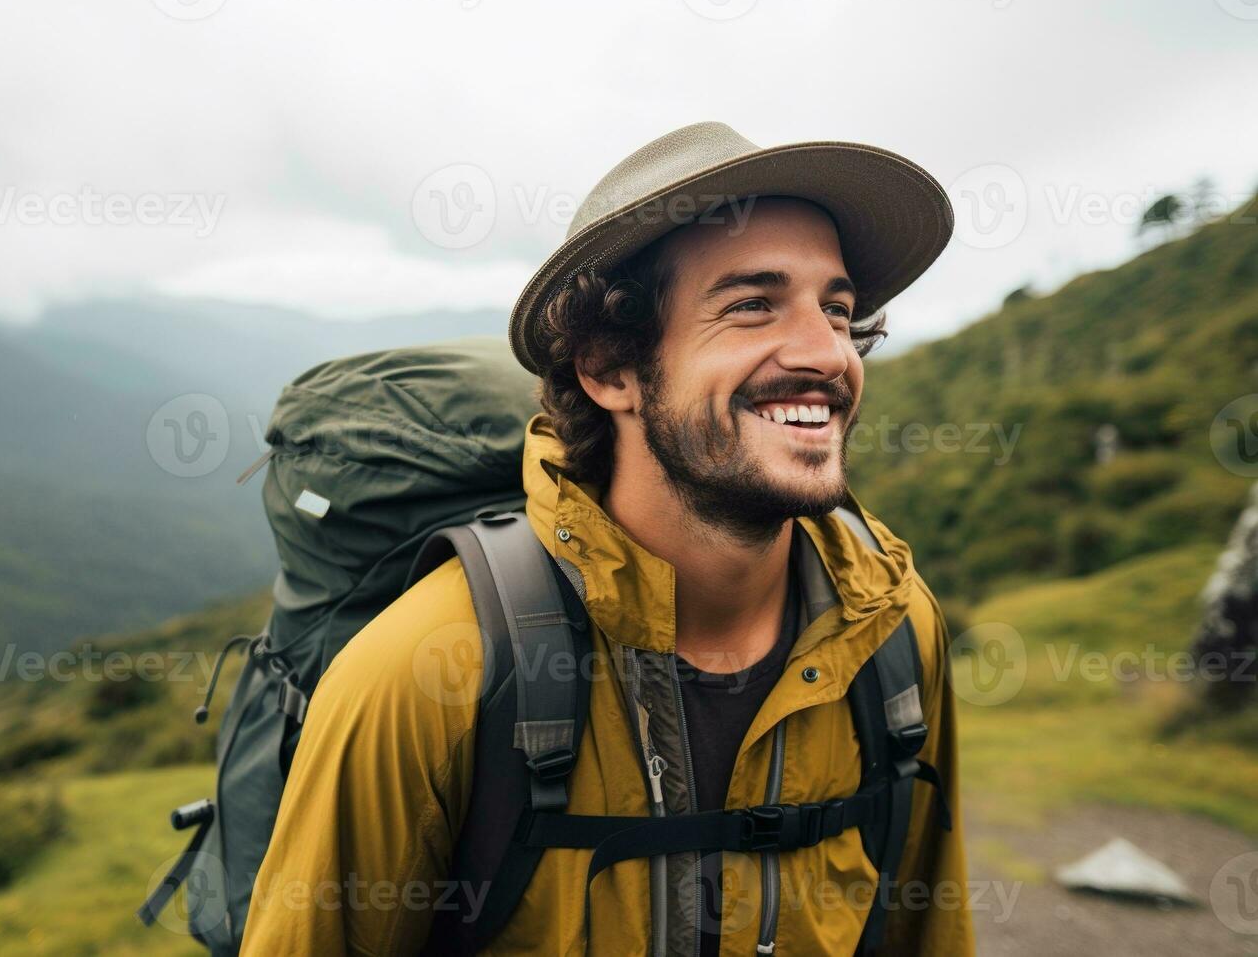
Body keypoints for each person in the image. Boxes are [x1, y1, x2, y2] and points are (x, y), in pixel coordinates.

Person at [241, 122, 973, 955]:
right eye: (751, 306)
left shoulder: (893, 631)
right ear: (610, 369)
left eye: (839, 311)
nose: (826, 352)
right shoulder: (426, 671)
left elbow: (929, 930)